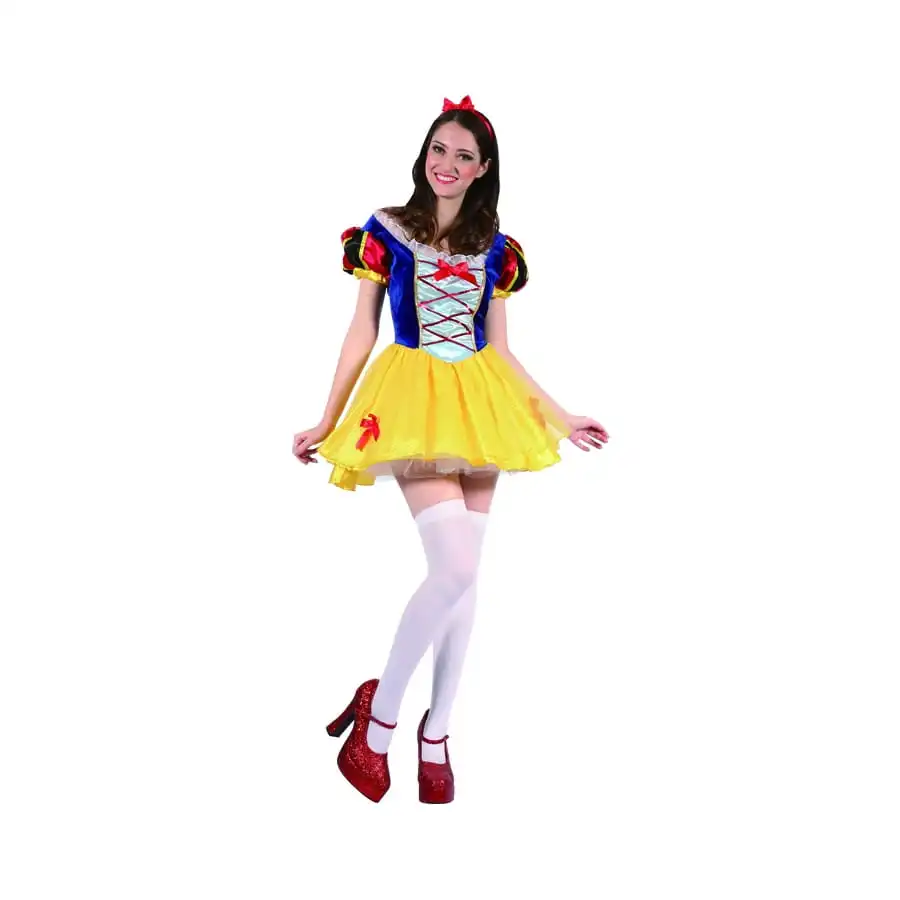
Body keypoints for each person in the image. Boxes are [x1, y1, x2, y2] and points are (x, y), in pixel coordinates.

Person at [292, 95, 609, 804]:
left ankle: (436, 730)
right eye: (440, 149)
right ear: (425, 154)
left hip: (481, 404)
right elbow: (362, 331)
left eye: (464, 156)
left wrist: (560, 417)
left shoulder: (497, 250)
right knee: (455, 565)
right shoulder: (385, 232)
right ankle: (379, 719)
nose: (448, 164)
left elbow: (501, 350)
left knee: (465, 577)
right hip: (410, 399)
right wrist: (327, 418)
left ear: (482, 168)